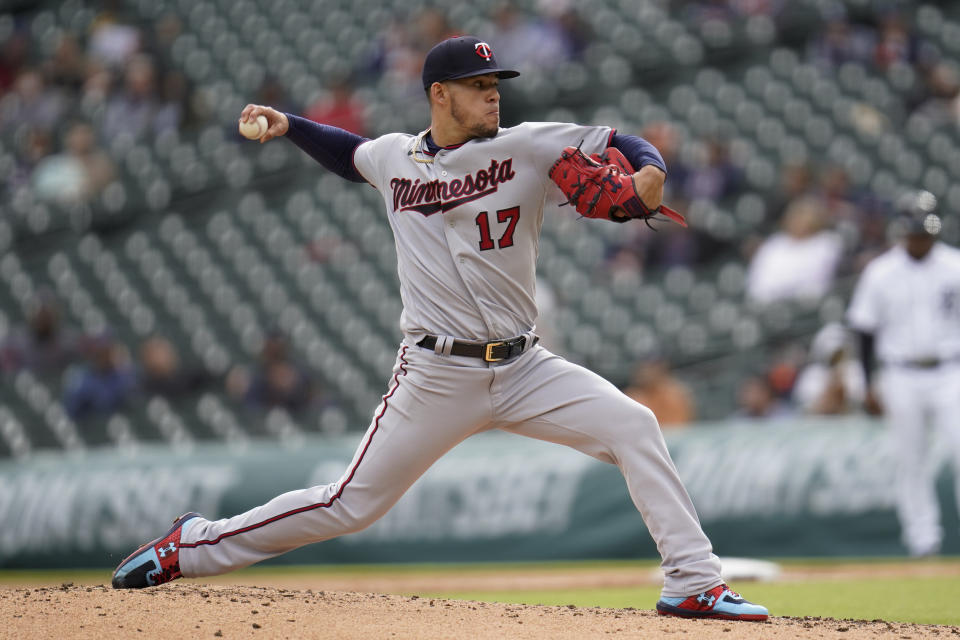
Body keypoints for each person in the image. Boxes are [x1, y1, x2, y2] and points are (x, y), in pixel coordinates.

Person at [112, 35, 767, 622]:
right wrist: (289, 126)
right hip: (436, 372)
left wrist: (649, 170)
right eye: (479, 87)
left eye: (495, 86)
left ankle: (692, 582)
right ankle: (192, 546)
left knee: (635, 424)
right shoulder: (396, 157)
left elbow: (619, 142)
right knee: (351, 506)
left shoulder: (527, 145)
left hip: (525, 367)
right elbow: (350, 156)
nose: (493, 98)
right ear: (439, 94)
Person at [847, 190, 960, 558]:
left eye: (925, 234)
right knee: (910, 459)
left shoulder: (954, 265)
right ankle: (922, 541)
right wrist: (867, 384)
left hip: (950, 370)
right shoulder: (881, 271)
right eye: (914, 233)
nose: (920, 240)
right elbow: (864, 331)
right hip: (901, 374)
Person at [792, 323, 866, 415]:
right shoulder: (812, 374)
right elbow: (810, 408)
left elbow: (861, 402)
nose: (837, 358)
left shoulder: (855, 370)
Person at [623, 356, 695, 428]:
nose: (647, 372)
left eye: (652, 367)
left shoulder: (675, 395)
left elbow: (679, 428)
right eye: (645, 367)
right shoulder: (631, 397)